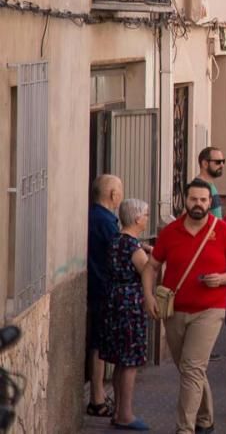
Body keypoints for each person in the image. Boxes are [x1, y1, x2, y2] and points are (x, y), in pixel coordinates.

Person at [142, 179, 226, 434]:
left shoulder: (223, 231)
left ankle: (184, 429)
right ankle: (205, 419)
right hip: (175, 310)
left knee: (191, 368)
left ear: (210, 202)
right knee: (190, 368)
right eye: (193, 199)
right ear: (185, 200)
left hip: (210, 310)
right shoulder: (171, 232)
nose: (198, 204)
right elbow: (151, 267)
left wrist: (222, 279)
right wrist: (148, 296)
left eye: (203, 200)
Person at [99, 199, 151, 431]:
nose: (148, 218)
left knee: (121, 360)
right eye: (147, 215)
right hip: (130, 305)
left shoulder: (116, 241)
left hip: (114, 301)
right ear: (138, 218)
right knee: (129, 361)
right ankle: (126, 414)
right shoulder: (133, 248)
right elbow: (148, 273)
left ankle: (119, 410)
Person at [87, 173, 124, 418]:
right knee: (99, 346)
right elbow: (118, 250)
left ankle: (97, 396)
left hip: (95, 287)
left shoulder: (92, 215)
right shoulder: (106, 220)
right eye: (119, 191)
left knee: (98, 345)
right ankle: (97, 398)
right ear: (113, 194)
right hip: (102, 289)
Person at [196, 146, 226, 219]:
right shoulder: (198, 188)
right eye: (218, 162)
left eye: (223, 161)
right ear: (205, 164)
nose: (222, 165)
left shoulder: (209, 186)